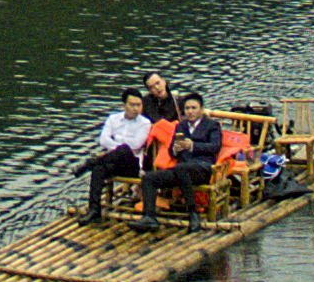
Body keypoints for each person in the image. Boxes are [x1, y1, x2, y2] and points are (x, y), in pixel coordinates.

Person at [144, 90, 226, 225]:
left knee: (181, 168)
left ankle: (193, 212)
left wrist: (193, 146)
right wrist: (175, 150)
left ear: (201, 109)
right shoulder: (181, 125)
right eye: (187, 108)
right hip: (181, 169)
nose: (190, 111)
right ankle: (149, 217)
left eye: (194, 108)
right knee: (148, 178)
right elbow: (171, 151)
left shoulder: (212, 125)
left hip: (202, 169)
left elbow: (215, 147)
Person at [78, 90, 154, 228]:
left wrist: (117, 140)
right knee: (99, 168)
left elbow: (136, 144)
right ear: (124, 105)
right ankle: (94, 209)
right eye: (132, 104)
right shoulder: (113, 119)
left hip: (133, 165)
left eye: (139, 105)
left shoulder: (145, 123)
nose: (136, 108)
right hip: (113, 162)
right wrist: (122, 144)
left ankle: (89, 163)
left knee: (124, 150)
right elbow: (103, 140)